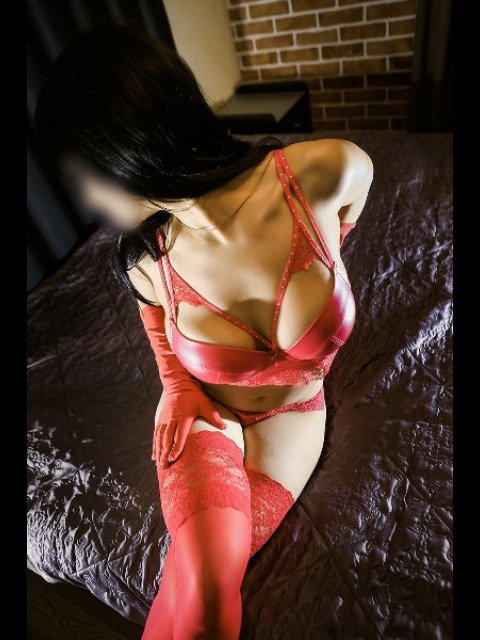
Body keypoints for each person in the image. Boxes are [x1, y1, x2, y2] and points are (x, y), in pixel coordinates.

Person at [35, 26, 373, 640]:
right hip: (206, 420)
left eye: (86, 177)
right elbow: (156, 325)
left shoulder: (326, 172)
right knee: (208, 597)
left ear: (126, 144)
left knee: (193, 588)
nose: (87, 201)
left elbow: (349, 213)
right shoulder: (147, 261)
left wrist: (327, 260)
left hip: (294, 418)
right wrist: (178, 387)